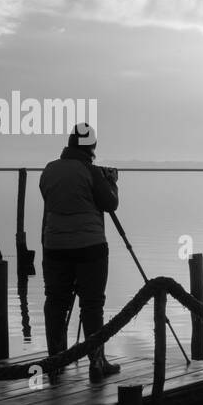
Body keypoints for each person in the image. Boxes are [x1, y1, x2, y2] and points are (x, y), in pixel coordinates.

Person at [40, 123, 121, 381]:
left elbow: (48, 197)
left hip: (54, 248)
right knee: (92, 304)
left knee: (55, 302)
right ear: (92, 146)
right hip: (90, 249)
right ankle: (97, 363)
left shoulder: (50, 170)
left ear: (70, 142)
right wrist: (111, 183)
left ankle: (56, 361)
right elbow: (110, 203)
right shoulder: (91, 171)